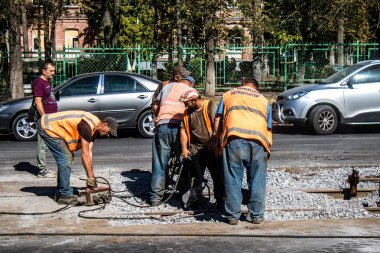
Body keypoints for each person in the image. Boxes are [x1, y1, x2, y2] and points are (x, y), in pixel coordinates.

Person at [216, 77, 272, 225]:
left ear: (242, 85)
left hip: (235, 139)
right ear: (256, 88)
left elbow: (218, 119)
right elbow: (269, 127)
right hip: (259, 142)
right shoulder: (264, 100)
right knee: (257, 179)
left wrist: (217, 141)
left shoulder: (229, 94)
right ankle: (256, 216)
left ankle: (233, 216)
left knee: (233, 178)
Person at [36, 110, 118, 205]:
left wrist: (92, 181)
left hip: (52, 126)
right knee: (66, 158)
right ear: (104, 124)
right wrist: (91, 180)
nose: (108, 135)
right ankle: (64, 195)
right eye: (109, 132)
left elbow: (89, 153)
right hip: (47, 126)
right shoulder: (87, 126)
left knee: (67, 157)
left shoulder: (95, 128)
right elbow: (85, 155)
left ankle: (61, 191)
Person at [149, 71, 196, 206]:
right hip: (180, 129)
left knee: (159, 164)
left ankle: (155, 198)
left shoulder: (166, 87)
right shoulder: (189, 90)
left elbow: (156, 106)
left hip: (162, 126)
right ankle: (184, 197)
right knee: (183, 162)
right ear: (191, 83)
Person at [179, 88, 224, 209]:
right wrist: (184, 149)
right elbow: (183, 131)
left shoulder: (209, 106)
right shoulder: (187, 113)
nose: (185, 105)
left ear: (194, 100)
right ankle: (194, 200)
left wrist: (214, 141)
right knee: (194, 176)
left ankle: (220, 201)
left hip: (211, 148)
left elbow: (218, 125)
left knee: (217, 176)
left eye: (186, 102)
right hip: (195, 148)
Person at [32, 61, 58, 178]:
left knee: (48, 143)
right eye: (51, 70)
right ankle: (42, 170)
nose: (53, 72)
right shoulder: (39, 82)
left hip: (50, 117)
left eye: (53, 70)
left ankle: (44, 168)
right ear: (44, 71)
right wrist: (44, 117)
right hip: (45, 118)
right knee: (42, 143)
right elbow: (38, 101)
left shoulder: (47, 81)